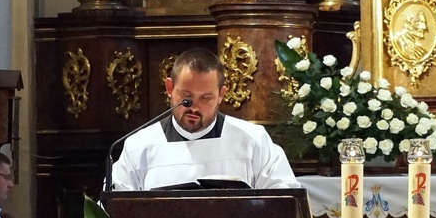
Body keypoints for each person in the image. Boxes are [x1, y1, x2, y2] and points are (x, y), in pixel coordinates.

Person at [111, 47, 301, 191]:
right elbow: (116, 210)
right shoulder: (139, 145)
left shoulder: (253, 140)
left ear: (221, 94)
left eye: (206, 98)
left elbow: (284, 200)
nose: (194, 107)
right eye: (187, 97)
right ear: (169, 88)